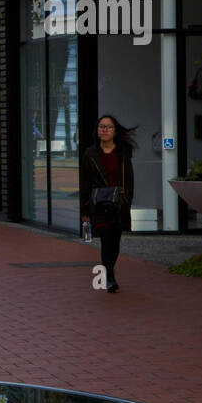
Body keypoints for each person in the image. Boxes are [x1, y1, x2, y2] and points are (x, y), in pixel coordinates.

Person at [80, 114, 136, 293]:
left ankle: (109, 270)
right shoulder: (90, 154)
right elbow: (85, 183)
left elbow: (129, 179)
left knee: (115, 239)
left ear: (115, 131)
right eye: (101, 126)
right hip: (98, 204)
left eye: (108, 127)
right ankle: (109, 276)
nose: (104, 130)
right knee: (105, 238)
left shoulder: (123, 152)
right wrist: (85, 208)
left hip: (118, 203)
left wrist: (126, 202)